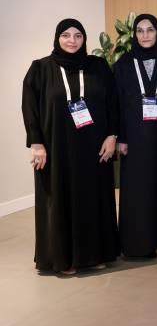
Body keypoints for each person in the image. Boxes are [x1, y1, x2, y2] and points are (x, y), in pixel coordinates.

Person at [22, 19, 119, 275]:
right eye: (66, 35)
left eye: (78, 35)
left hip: (95, 148)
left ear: (84, 39)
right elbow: (29, 108)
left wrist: (112, 135)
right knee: (60, 200)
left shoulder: (98, 66)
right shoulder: (41, 69)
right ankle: (63, 258)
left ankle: (94, 255)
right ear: (57, 38)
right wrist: (36, 143)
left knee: (93, 200)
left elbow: (113, 102)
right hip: (57, 149)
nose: (72, 40)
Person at [113, 14, 157, 259]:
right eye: (140, 31)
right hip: (134, 138)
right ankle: (138, 244)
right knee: (138, 190)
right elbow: (116, 104)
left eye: (150, 30)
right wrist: (121, 137)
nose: (145, 35)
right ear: (134, 35)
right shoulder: (123, 64)